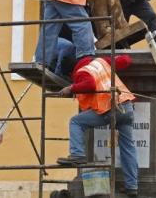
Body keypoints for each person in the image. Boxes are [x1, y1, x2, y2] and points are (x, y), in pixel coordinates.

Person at [56, 54, 138, 197]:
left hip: (110, 108)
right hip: (126, 106)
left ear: (70, 73)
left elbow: (90, 85)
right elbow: (126, 60)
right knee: (128, 148)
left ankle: (77, 155)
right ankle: (132, 187)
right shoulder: (100, 61)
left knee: (76, 121)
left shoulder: (81, 72)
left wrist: (71, 87)